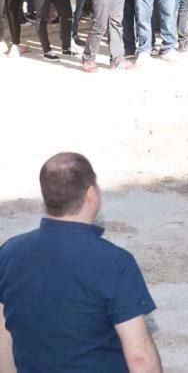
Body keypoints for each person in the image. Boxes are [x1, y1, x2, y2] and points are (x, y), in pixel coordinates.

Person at [0, 153, 161, 373]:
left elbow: (3, 335)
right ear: (91, 194)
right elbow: (140, 357)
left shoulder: (9, 252)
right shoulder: (115, 263)